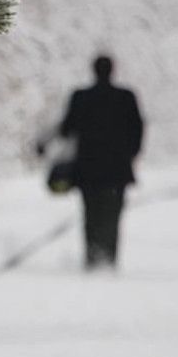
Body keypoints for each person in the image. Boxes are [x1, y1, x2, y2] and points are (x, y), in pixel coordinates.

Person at [57, 55, 144, 270]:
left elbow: (66, 128)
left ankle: (92, 256)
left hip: (88, 169)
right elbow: (137, 129)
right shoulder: (125, 97)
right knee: (112, 215)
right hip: (117, 170)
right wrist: (130, 154)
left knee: (91, 214)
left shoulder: (81, 97)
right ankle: (109, 258)